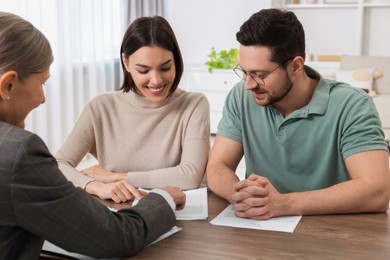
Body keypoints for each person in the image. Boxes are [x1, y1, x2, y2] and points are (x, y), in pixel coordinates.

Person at [0, 11, 186, 259]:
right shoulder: (18, 154)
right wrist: (161, 198)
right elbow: (116, 237)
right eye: (42, 83)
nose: (43, 99)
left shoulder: (191, 103)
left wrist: (109, 176)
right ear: (8, 85)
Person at [206, 8, 390, 220]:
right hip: (260, 234)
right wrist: (239, 195)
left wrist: (285, 204)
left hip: (333, 235)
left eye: (259, 74)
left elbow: (377, 192)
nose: (248, 85)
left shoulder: (353, 105)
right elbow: (217, 167)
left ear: (295, 66)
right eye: (245, 72)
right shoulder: (241, 97)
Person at [55, 16, 210, 203]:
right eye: (144, 70)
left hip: (175, 215)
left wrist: (117, 177)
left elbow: (190, 176)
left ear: (175, 60)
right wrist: (96, 186)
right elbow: (58, 164)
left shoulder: (193, 105)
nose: (156, 80)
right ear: (126, 62)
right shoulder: (100, 108)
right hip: (118, 214)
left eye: (165, 67)